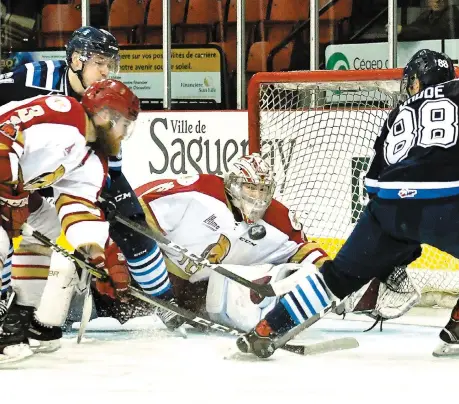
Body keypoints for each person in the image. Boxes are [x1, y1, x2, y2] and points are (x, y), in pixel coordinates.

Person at [236, 49, 459, 358]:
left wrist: (392, 245)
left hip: (388, 211)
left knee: (338, 277)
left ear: (416, 81)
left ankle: (268, 328)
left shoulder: (398, 113)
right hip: (448, 207)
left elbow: (373, 184)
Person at [0, 27, 173, 328]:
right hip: (14, 161)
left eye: (111, 64)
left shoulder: (104, 114)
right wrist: (8, 189)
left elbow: (95, 180)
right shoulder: (31, 82)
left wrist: (98, 247)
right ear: (77, 61)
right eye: (100, 63)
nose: (107, 72)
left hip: (41, 171)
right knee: (6, 235)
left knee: (128, 222)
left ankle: (163, 301)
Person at [90, 153, 333, 331]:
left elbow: (301, 249)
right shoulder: (199, 191)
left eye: (263, 190)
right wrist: (117, 252)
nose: (258, 198)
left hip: (198, 294)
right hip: (156, 277)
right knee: (109, 297)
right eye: (251, 188)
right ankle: (85, 299)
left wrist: (332, 272)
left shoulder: (278, 217)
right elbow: (135, 213)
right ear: (234, 185)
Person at [0, 79, 138, 357]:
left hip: (14, 192)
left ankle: (23, 314)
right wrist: (7, 189)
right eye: (125, 124)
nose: (124, 135)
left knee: (50, 229)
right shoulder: (63, 113)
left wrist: (98, 253)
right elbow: (4, 132)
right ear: (105, 116)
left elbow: (78, 207)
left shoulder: (91, 157)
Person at [394, 0, 459, 41]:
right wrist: (399, 32)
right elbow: (416, 27)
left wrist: (402, 30)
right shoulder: (427, 15)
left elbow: (434, 33)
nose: (437, 1)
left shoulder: (453, 14)